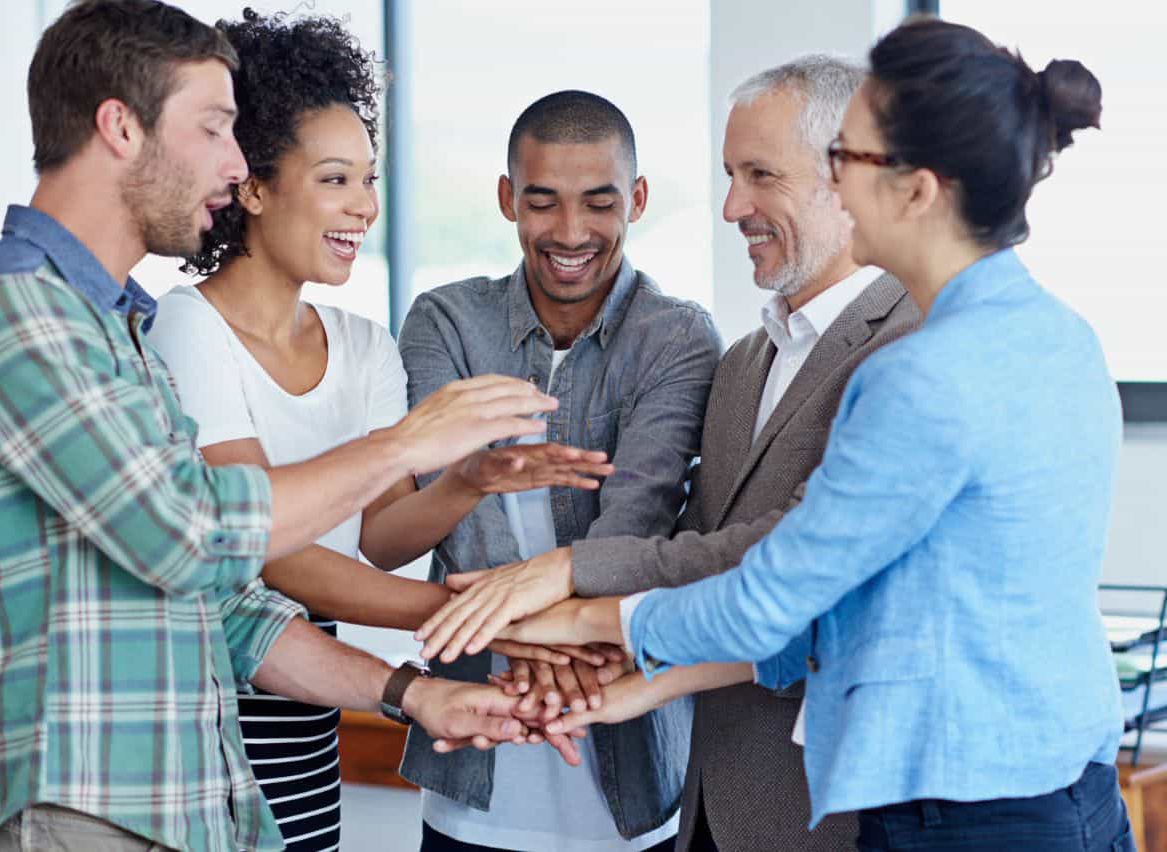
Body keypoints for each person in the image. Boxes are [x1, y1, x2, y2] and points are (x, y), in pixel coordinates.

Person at [433, 17, 1133, 852]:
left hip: (971, 818)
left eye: (847, 161)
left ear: (916, 189)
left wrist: (580, 618)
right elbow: (854, 607)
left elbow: (776, 595)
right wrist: (643, 681)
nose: (839, 185)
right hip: (1055, 796)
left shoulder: (925, 372)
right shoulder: (1056, 333)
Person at [0, 2, 555, 850]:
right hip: (74, 814)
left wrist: (414, 694)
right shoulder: (15, 310)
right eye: (213, 128)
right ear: (120, 128)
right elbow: (194, 532)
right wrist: (404, 445)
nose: (237, 161)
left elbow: (228, 605)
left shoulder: (115, 333)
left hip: (186, 811)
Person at [419, 55, 921, 851]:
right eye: (730, 175)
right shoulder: (746, 359)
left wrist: (571, 586)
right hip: (707, 804)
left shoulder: (913, 345)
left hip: (836, 812)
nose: (731, 207)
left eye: (759, 175)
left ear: (846, 177)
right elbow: (698, 544)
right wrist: (613, 660)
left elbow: (793, 561)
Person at [146, 11, 613, 851]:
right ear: (252, 187)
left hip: (310, 704)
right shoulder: (187, 329)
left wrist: (469, 480)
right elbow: (262, 549)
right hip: (211, 703)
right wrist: (489, 620)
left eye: (368, 179)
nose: (364, 206)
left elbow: (383, 539)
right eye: (336, 179)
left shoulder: (362, 344)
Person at [398, 90, 724, 851]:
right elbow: (458, 516)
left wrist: (538, 632)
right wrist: (548, 640)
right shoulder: (444, 321)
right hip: (474, 766)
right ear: (508, 198)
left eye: (599, 203)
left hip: (634, 772)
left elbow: (635, 525)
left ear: (636, 200)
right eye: (543, 202)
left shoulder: (679, 336)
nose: (571, 233)